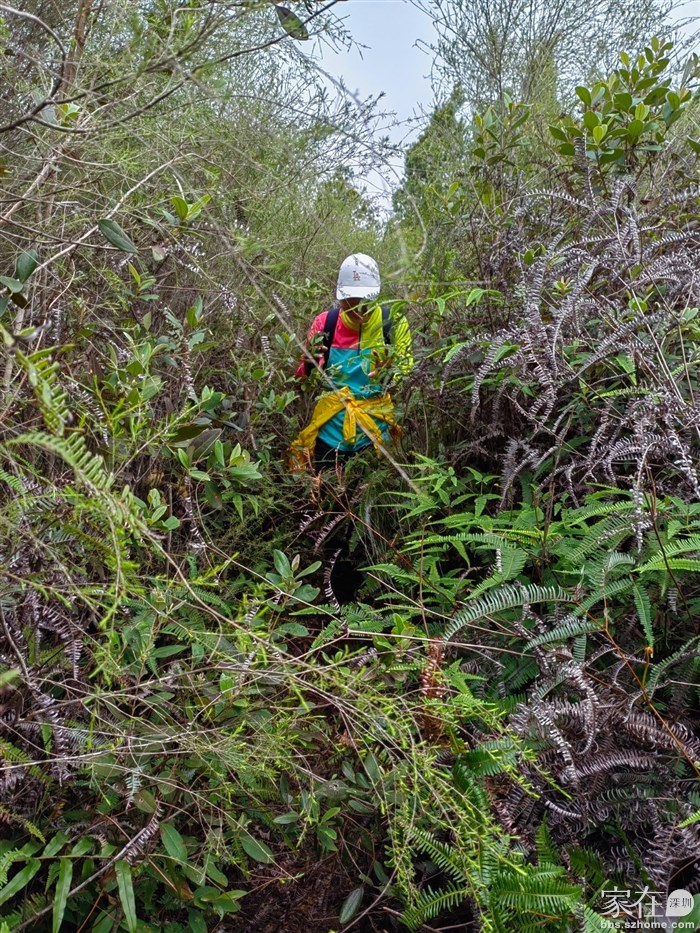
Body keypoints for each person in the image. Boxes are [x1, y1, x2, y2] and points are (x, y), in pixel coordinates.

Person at [289, 253, 413, 471]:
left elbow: (408, 378)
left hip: (376, 435)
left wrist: (390, 375)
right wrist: (309, 363)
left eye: (364, 299)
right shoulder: (325, 323)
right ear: (340, 296)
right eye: (351, 300)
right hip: (329, 435)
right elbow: (302, 381)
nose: (358, 307)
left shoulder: (393, 324)